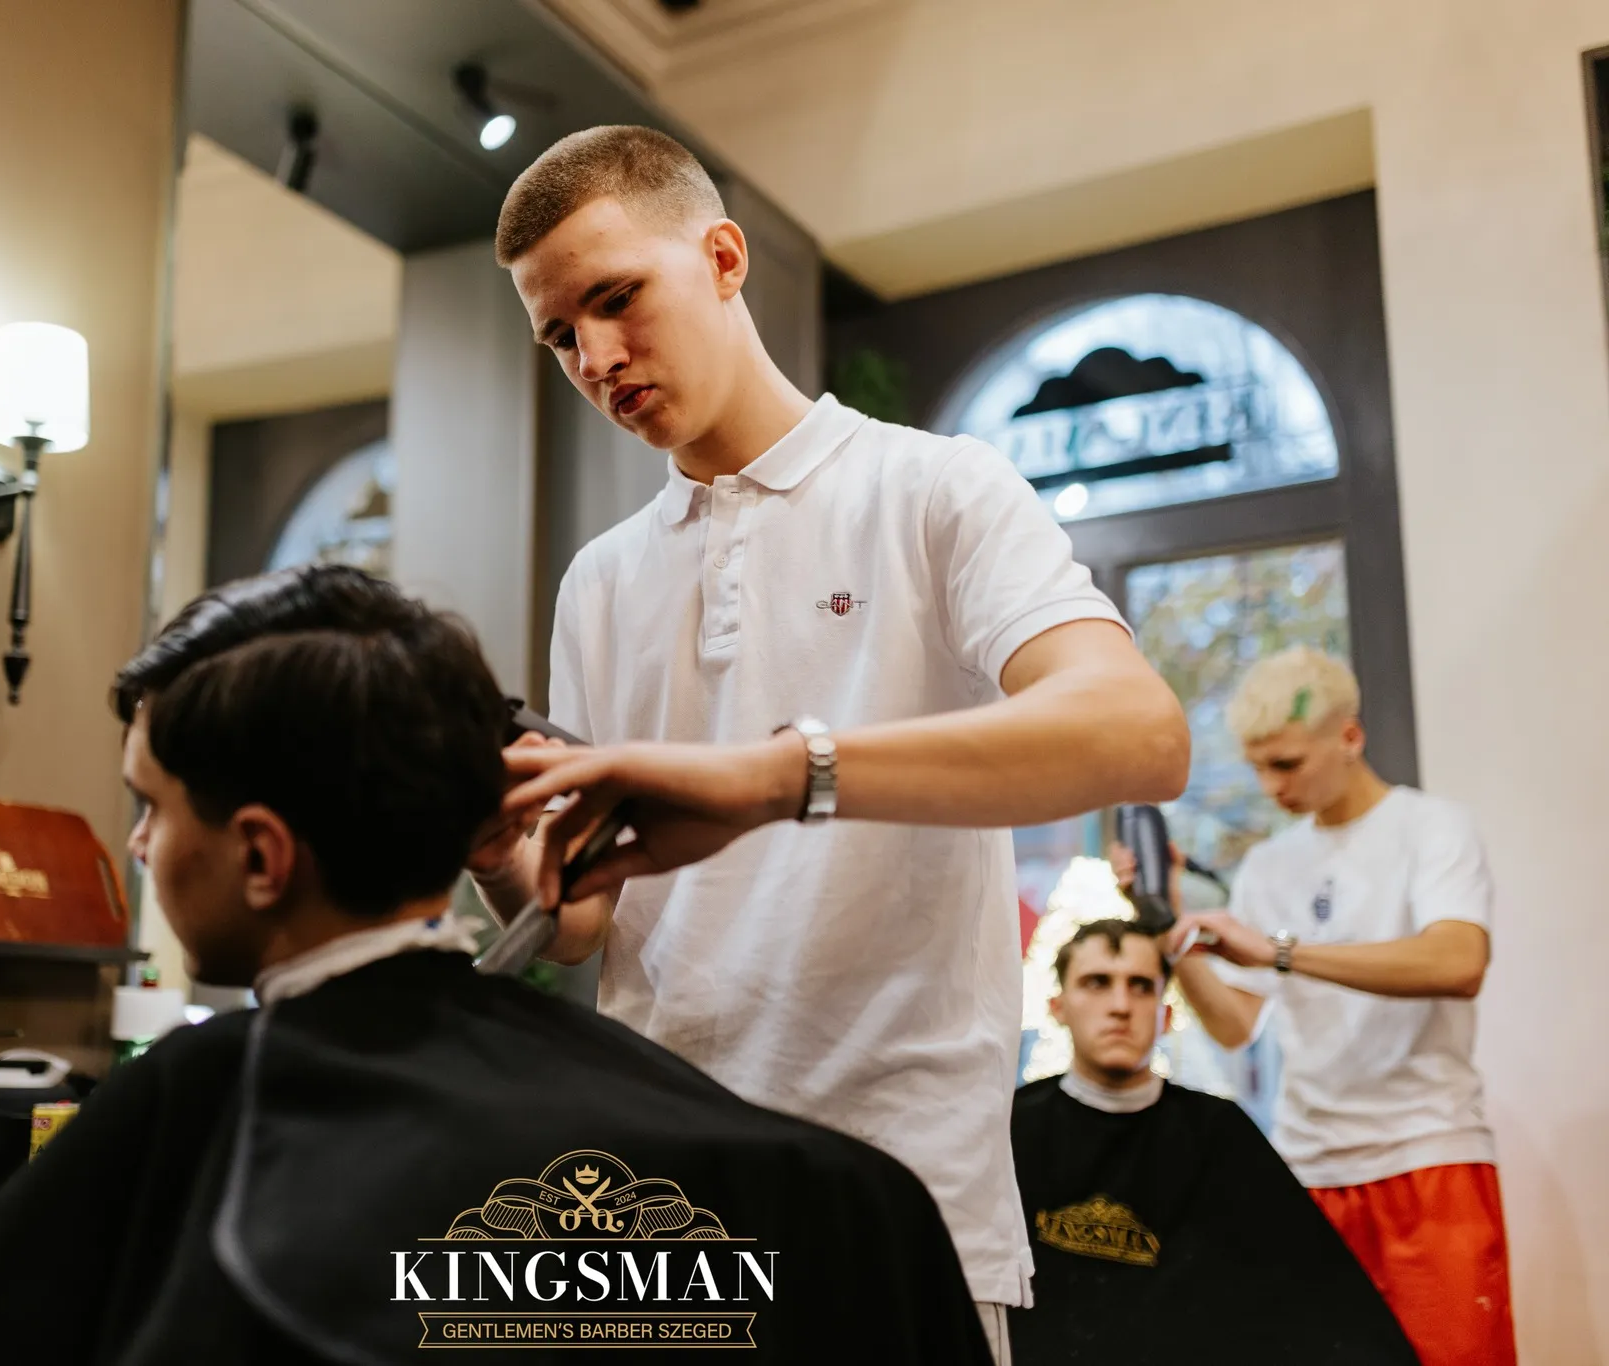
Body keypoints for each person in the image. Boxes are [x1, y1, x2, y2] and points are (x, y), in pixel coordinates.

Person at [0, 566, 992, 1366]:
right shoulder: (836, 1190)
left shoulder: (203, 1103)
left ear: (262, 855)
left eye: (148, 804)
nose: (140, 845)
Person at [473, 124, 1190, 1352]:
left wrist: (781, 774)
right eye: (557, 337)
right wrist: (497, 849)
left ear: (722, 257)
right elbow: (582, 920)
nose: (594, 358)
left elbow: (1137, 734)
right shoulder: (598, 581)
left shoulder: (934, 489)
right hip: (666, 1210)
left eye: (615, 298)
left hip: (900, 1194)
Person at [1134, 646, 1514, 1366]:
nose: (1270, 787)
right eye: (1257, 768)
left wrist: (1281, 952)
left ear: (1349, 736)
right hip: (1310, 1168)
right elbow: (1235, 1025)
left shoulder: (1432, 829)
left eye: (1286, 764)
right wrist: (1170, 928)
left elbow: (1459, 962)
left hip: (1426, 1156)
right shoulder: (1269, 865)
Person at [1010, 919, 1416, 1364]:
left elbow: (1312, 1292)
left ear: (1166, 1016)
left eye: (1141, 986)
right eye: (1097, 983)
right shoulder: (1012, 1129)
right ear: (1057, 1007)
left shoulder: (1219, 1133)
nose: (1121, 1006)